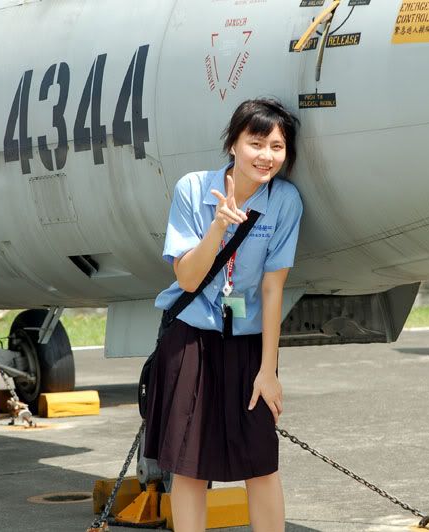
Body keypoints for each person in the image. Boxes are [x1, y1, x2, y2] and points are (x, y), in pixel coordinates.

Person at [143, 98, 303, 532]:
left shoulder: (285, 201)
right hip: (190, 336)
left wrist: (268, 371)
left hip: (248, 340)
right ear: (233, 144)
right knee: (190, 464)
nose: (266, 156)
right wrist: (218, 226)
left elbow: (272, 288)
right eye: (256, 143)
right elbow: (188, 279)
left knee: (261, 461)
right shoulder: (193, 189)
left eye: (277, 147)